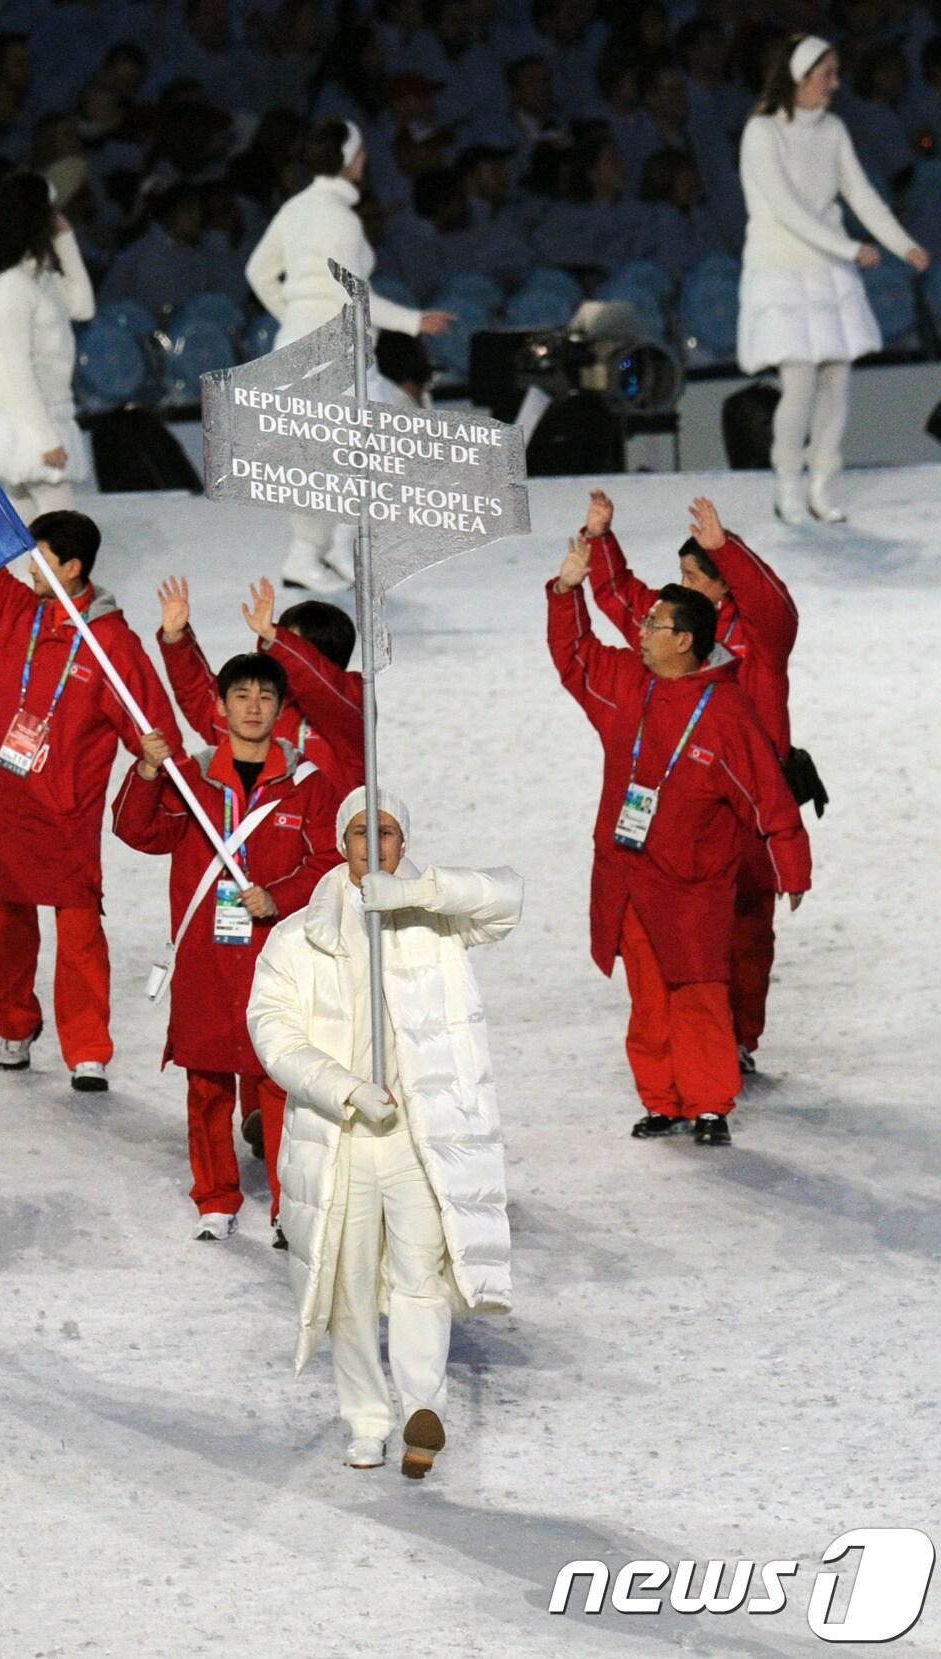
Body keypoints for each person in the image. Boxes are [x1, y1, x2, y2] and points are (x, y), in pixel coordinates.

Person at [247, 789, 521, 1476]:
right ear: (342, 842)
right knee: (346, 1284)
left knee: (419, 1273)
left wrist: (414, 892)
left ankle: (422, 1409)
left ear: (405, 843)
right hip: (342, 1134)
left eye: (389, 832)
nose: (375, 844)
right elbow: (273, 1035)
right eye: (363, 831)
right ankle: (366, 1417)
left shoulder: (432, 919)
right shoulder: (297, 938)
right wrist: (344, 1087)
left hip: (411, 1135)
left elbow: (506, 898)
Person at [547, 535, 811, 1145]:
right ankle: (662, 1099)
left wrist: (790, 868)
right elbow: (574, 654)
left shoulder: (725, 711)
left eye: (654, 626)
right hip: (629, 869)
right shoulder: (625, 683)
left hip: (693, 883)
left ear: (684, 640)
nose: (640, 633)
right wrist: (566, 593)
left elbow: (767, 797)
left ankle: (710, 1102)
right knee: (647, 993)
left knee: (697, 989)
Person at [112, 653, 343, 1242]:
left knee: (280, 1084)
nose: (252, 708)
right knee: (207, 1082)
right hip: (207, 961)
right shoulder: (188, 778)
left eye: (265, 697)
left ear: (281, 709)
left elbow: (329, 865)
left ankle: (289, 1205)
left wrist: (282, 896)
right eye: (240, 695)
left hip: (276, 959)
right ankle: (215, 1196)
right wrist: (144, 773)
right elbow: (138, 832)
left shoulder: (308, 786)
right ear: (219, 705)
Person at [0, 509, 181, 1092]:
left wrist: (155, 751)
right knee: (1, 927)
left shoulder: (110, 644)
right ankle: (14, 1024)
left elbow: (154, 731)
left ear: (73, 567)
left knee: (78, 931)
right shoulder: (8, 611)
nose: (29, 565)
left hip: (63, 813)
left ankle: (87, 1049)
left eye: (42, 558)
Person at [582, 490, 798, 1071]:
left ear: (725, 583)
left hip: (751, 799)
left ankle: (738, 1039)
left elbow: (776, 606)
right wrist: (601, 539)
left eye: (694, 574)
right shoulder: (676, 633)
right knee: (687, 928)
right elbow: (620, 596)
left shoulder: (760, 637)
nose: (677, 588)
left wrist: (726, 549)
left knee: (748, 929)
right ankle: (696, 1039)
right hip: (691, 801)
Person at [243, 117, 453, 593]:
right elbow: (355, 297)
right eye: (359, 152)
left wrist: (293, 317)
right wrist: (415, 321)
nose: (364, 160)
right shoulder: (338, 219)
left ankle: (337, 545)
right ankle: (306, 554)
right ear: (345, 158)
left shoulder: (297, 208)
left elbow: (258, 272)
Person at [737, 34, 931, 525]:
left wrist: (901, 243)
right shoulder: (762, 132)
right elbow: (786, 207)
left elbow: (861, 195)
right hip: (783, 268)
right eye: (827, 74)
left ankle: (822, 482)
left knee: (835, 381)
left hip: (827, 271)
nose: (835, 84)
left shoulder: (834, 130)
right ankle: (787, 482)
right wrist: (848, 247)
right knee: (798, 381)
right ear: (800, 78)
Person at [0, 171, 96, 521]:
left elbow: (83, 307)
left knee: (30, 529)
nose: (59, 218)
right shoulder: (11, 285)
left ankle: (33, 578)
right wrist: (44, 438)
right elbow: (15, 365)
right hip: (15, 419)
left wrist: (67, 241)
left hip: (40, 411)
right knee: (61, 523)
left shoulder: (41, 274)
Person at [155, 573, 362, 796]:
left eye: (291, 646)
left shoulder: (351, 706)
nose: (282, 652)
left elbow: (321, 683)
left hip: (326, 829)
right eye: (281, 643)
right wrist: (176, 640)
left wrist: (275, 638)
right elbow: (202, 697)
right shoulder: (259, 712)